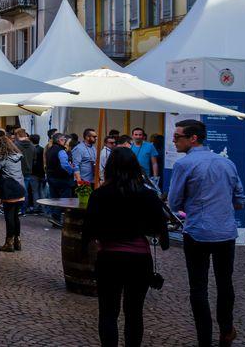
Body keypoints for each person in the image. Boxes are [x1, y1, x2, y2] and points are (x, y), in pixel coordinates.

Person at [168, 119, 245, 347]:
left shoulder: (184, 165)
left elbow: (174, 202)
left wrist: (193, 204)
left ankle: (204, 338)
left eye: (177, 137)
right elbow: (239, 199)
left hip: (198, 232)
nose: (174, 141)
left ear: (193, 138)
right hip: (225, 232)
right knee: (225, 283)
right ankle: (226, 330)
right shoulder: (227, 163)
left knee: (198, 286)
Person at [82, 147, 170, 347]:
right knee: (134, 312)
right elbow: (159, 227)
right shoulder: (147, 196)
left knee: (108, 312)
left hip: (109, 258)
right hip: (139, 259)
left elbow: (89, 229)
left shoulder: (100, 195)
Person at [0, 135, 26, 252]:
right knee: (16, 216)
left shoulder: (4, 157)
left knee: (9, 217)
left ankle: (9, 243)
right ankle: (17, 241)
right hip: (20, 188)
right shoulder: (16, 156)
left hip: (9, 189)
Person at [46, 132, 77, 227]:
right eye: (64, 139)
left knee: (54, 198)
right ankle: (55, 216)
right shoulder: (61, 151)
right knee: (64, 199)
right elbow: (64, 165)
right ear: (60, 140)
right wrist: (72, 170)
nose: (65, 141)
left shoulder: (49, 150)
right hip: (62, 178)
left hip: (51, 177)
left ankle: (55, 219)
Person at [15, 129, 37, 212]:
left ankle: (19, 209)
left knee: (18, 190)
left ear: (17, 135)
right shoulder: (32, 146)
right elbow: (35, 159)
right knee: (25, 190)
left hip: (17, 171)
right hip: (28, 171)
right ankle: (23, 209)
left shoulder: (16, 145)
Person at [28, 133, 45, 214]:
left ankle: (36, 207)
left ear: (31, 140)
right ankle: (43, 207)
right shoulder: (42, 149)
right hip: (41, 172)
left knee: (34, 191)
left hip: (33, 173)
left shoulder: (31, 150)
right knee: (41, 190)